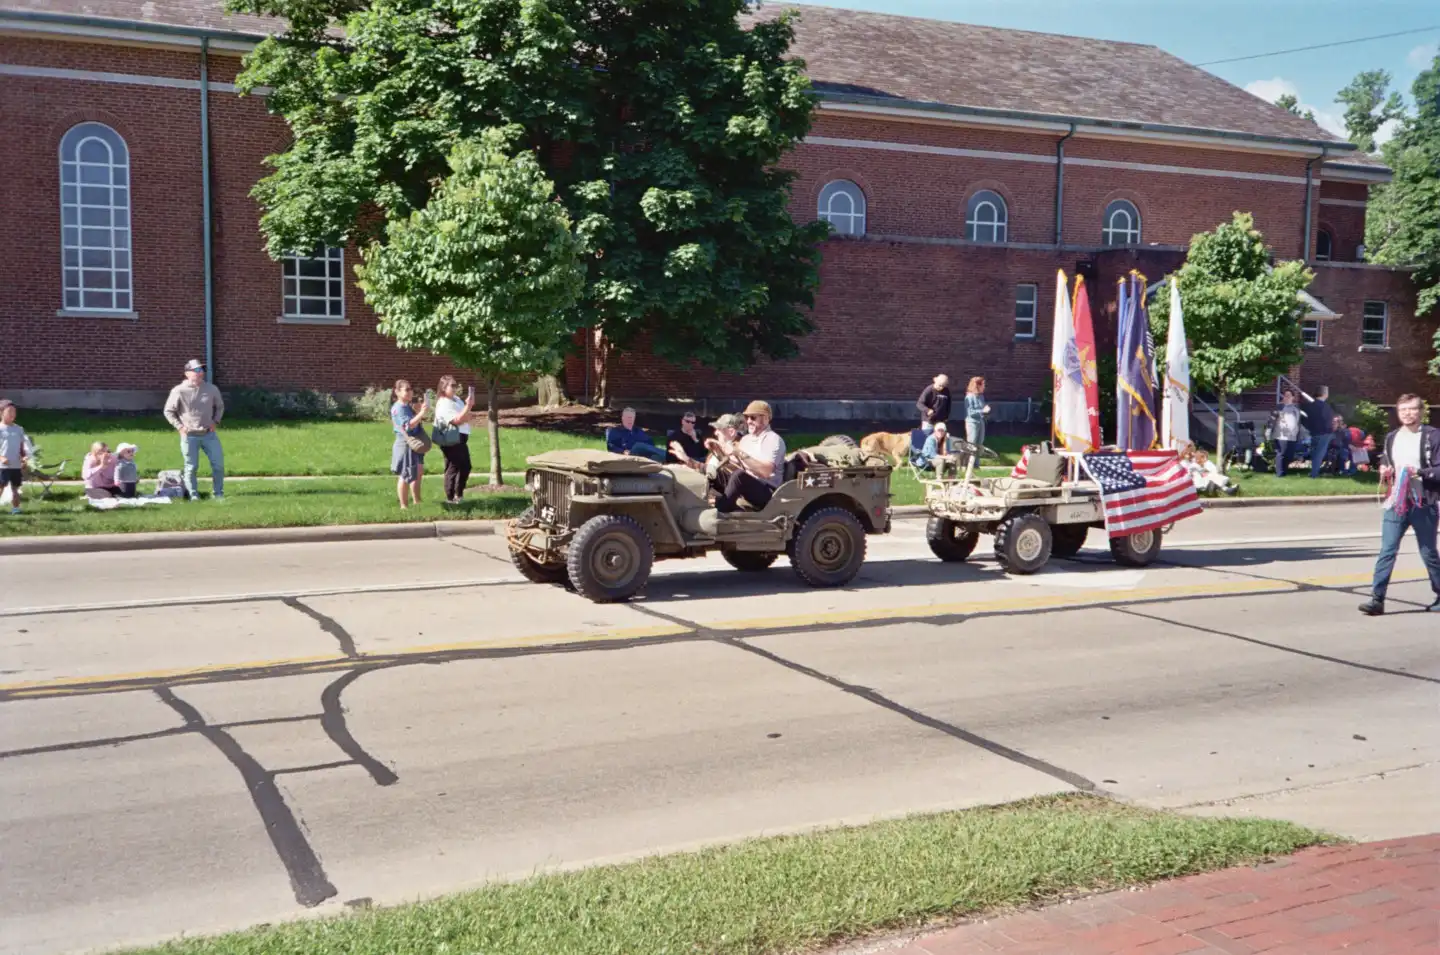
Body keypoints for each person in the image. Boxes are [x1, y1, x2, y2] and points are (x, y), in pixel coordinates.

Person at [1359, 394, 1440, 615]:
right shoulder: (1392, 437)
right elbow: (1386, 458)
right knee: (1387, 550)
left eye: (1412, 409)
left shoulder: (1432, 436)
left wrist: (1420, 472)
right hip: (1397, 502)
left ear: (1421, 411)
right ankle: (1377, 599)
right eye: (1403, 409)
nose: (1407, 413)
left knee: (1428, 552)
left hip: (1424, 502)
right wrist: (1386, 468)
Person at [163, 358, 225, 500]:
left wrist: (215, 421)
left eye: (202, 370)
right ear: (187, 373)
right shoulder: (179, 390)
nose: (200, 373)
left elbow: (220, 407)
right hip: (189, 435)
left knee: (218, 465)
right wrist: (179, 427)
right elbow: (168, 411)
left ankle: (218, 493)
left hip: (209, 434)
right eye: (196, 370)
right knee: (191, 467)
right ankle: (193, 494)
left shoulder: (211, 389)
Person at [713, 400, 786, 513]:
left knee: (739, 476)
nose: (748, 421)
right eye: (747, 418)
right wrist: (718, 451)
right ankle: (708, 503)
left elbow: (766, 471)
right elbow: (738, 464)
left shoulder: (773, 439)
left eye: (753, 418)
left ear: (766, 418)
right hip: (749, 485)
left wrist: (739, 453)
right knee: (716, 473)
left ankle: (720, 512)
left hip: (768, 492)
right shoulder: (746, 439)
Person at [434, 375, 475, 504]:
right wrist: (467, 408)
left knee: (466, 466)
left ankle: (458, 494)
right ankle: (450, 498)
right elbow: (456, 420)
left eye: (455, 385)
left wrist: (468, 408)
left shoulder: (456, 400)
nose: (455, 388)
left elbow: (467, 416)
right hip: (450, 438)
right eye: (452, 385)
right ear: (443, 387)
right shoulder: (443, 403)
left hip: (461, 437)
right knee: (454, 467)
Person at [390, 379, 428, 510]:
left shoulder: (406, 406)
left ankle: (417, 501)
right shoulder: (399, 408)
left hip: (413, 442)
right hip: (406, 443)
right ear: (397, 392)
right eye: (406, 389)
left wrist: (418, 412)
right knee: (405, 475)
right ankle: (404, 506)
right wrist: (422, 414)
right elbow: (408, 426)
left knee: (415, 472)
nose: (410, 392)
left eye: (411, 389)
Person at [1296, 384, 1336, 479]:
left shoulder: (1309, 406)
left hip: (1313, 432)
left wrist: (1310, 428)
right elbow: (1328, 420)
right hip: (1324, 433)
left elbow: (1304, 420)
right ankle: (1314, 474)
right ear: (1325, 394)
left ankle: (1314, 470)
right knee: (1319, 453)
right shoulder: (1326, 407)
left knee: (1315, 452)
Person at [0, 399, 29, 515]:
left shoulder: (18, 429)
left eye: (14, 412)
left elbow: (22, 446)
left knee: (15, 488)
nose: (12, 414)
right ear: (2, 413)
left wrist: (24, 458)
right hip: (2, 465)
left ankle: (16, 508)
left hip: (15, 465)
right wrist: (1, 458)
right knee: (1, 486)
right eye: (9, 411)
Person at [1271, 389, 1302, 477]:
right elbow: (1272, 419)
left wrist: (1298, 433)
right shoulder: (1279, 407)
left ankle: (1284, 471)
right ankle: (1279, 473)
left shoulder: (1296, 408)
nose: (1287, 397)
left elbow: (1298, 422)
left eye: (1289, 396)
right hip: (1281, 435)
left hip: (1293, 435)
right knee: (1281, 453)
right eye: (1285, 395)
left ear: (1293, 397)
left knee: (1290, 455)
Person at [963, 376, 991, 449]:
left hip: (980, 421)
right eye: (983, 384)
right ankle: (969, 460)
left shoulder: (981, 396)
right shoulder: (969, 397)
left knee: (979, 445)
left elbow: (983, 407)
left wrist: (986, 409)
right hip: (972, 423)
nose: (984, 387)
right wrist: (982, 411)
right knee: (972, 445)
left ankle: (976, 460)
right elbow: (970, 412)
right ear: (977, 385)